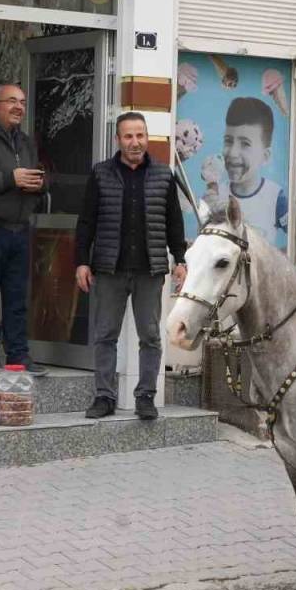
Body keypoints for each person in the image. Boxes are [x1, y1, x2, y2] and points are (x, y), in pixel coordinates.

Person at [75, 112, 188, 420]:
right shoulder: (101, 174)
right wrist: (82, 262)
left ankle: (146, 396)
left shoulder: (164, 175)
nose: (135, 142)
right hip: (109, 269)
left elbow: (174, 222)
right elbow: (86, 222)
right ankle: (104, 396)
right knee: (105, 334)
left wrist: (180, 259)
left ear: (147, 138)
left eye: (140, 135)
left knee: (150, 335)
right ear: (118, 140)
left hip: (149, 270)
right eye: (128, 136)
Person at [0, 84, 47, 376]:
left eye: (22, 102)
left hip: (20, 230)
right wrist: (11, 179)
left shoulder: (26, 142)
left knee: (17, 297)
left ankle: (18, 357)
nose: (18, 107)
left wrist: (39, 184)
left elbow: (35, 176)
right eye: (11, 101)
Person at [202, 98, 288, 249]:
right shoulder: (216, 196)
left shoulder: (275, 197)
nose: (233, 152)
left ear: (265, 156)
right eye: (228, 141)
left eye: (245, 144)